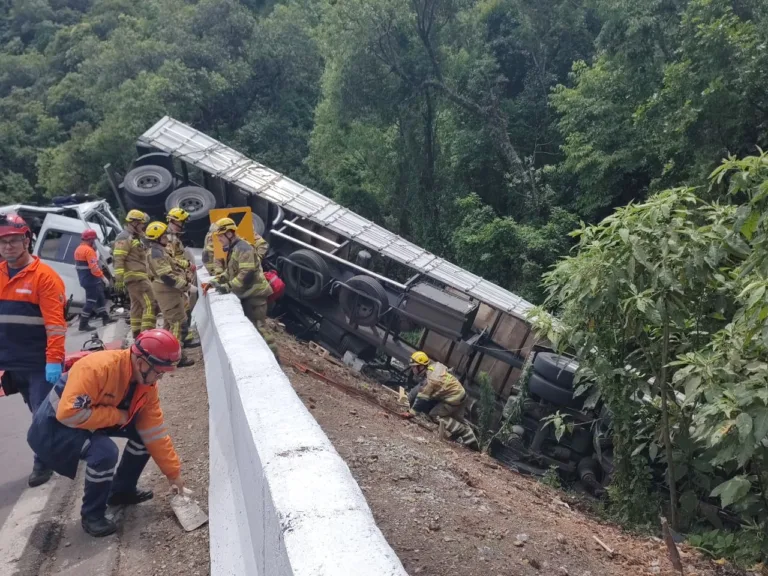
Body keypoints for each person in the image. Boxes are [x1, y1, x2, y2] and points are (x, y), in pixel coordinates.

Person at [27, 329, 186, 537]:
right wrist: (117, 416)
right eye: (158, 371)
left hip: (88, 415)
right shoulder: (98, 368)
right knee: (104, 453)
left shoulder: (146, 385)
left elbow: (154, 432)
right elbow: (68, 414)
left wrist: (173, 474)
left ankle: (121, 491)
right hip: (55, 425)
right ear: (140, 362)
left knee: (143, 438)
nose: (160, 377)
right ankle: (92, 515)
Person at [0, 213, 67, 487]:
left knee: (41, 414)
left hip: (40, 363)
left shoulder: (45, 278)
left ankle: (43, 463)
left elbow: (56, 326)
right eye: (3, 242)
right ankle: (77, 444)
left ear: (27, 240)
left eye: (14, 240)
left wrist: (54, 361)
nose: (8, 247)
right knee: (37, 410)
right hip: (13, 362)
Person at [207, 217, 277, 358]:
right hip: (248, 294)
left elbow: (247, 274)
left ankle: (275, 360)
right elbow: (231, 271)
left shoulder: (243, 247)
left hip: (255, 295)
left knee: (260, 329)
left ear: (229, 233)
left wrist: (228, 286)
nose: (219, 239)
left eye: (220, 236)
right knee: (253, 328)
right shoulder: (235, 248)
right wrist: (217, 280)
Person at [145, 221, 197, 365]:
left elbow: (173, 263)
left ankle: (164, 354)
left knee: (169, 324)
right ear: (157, 238)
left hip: (167, 290)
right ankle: (177, 358)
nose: (167, 238)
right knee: (177, 323)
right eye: (164, 236)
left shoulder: (159, 250)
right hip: (167, 290)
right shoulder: (156, 253)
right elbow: (167, 276)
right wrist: (187, 287)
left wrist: (186, 266)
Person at [404, 351, 478, 449]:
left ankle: (462, 431)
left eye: (414, 366)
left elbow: (421, 399)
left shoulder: (431, 380)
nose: (412, 369)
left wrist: (410, 413)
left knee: (435, 414)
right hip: (460, 395)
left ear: (421, 367)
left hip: (453, 399)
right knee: (456, 418)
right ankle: (473, 443)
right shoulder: (435, 366)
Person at [113, 210, 156, 338]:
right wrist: (119, 278)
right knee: (151, 305)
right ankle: (148, 336)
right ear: (134, 223)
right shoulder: (124, 237)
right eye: (141, 223)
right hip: (137, 278)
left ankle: (137, 336)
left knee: (137, 307)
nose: (143, 226)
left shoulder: (135, 237)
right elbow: (119, 258)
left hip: (137, 277)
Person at [165, 207, 199, 344]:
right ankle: (183, 339)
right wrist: (186, 265)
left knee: (176, 312)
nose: (183, 225)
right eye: (181, 222)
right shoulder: (168, 238)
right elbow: (170, 259)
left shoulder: (173, 237)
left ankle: (167, 339)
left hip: (179, 275)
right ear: (174, 221)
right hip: (174, 278)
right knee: (182, 308)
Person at [74, 229, 116, 332]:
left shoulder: (78, 249)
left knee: (100, 297)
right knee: (91, 301)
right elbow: (94, 268)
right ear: (91, 239)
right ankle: (83, 324)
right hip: (91, 279)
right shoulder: (89, 251)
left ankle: (105, 318)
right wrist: (103, 277)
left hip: (85, 279)